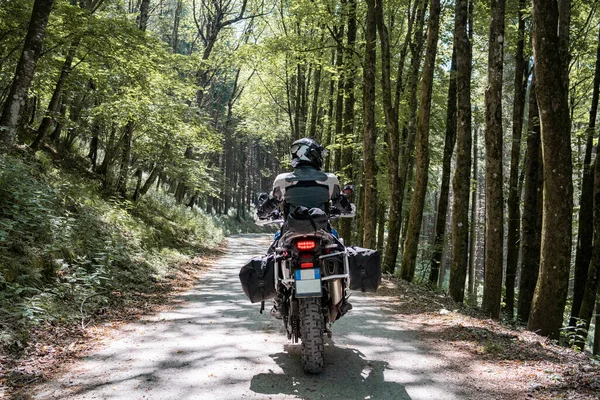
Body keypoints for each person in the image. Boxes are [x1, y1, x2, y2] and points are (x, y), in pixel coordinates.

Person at [256, 137, 354, 318]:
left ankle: (277, 300)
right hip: (322, 231)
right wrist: (346, 208)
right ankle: (342, 297)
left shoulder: (282, 180)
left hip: (290, 232)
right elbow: (342, 204)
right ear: (313, 155)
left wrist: (262, 213)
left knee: (272, 254)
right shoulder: (329, 179)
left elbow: (271, 204)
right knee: (341, 250)